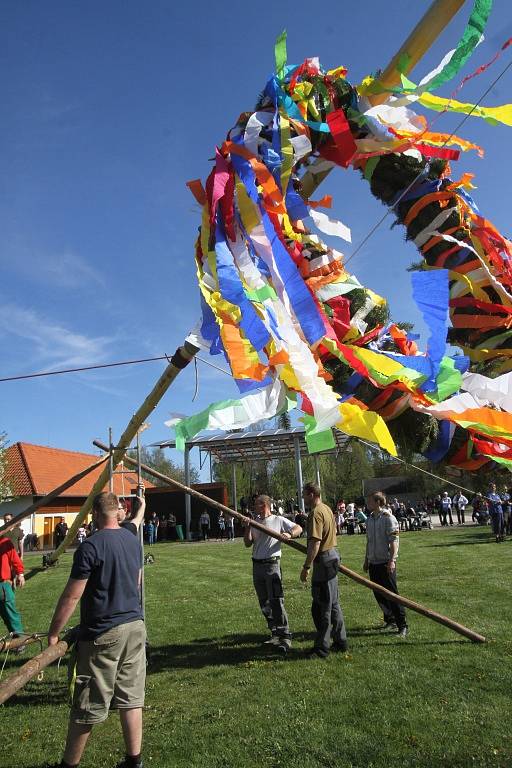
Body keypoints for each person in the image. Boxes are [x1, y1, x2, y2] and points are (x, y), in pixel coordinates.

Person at [47, 491, 146, 768]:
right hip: (135, 627)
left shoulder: (90, 547)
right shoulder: (131, 540)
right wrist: (142, 508)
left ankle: (69, 765)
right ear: (118, 511)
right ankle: (134, 761)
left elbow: (72, 596)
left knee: (87, 703)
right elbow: (136, 583)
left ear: (94, 514)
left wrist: (54, 632)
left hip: (103, 633)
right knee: (130, 698)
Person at [243, 494, 302, 653]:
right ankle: (274, 632)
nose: (254, 507)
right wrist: (248, 527)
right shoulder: (255, 522)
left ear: (264, 505)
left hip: (272, 565)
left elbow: (298, 528)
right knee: (264, 602)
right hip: (257, 566)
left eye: (256, 504)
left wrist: (289, 534)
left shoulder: (278, 520)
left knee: (276, 600)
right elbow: (248, 543)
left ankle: (285, 636)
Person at [301, 483, 348, 658]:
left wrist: (306, 567)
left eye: (305, 495)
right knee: (333, 604)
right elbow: (334, 530)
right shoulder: (327, 508)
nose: (304, 498)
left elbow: (315, 543)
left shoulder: (315, 513)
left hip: (324, 562)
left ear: (312, 494)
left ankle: (322, 648)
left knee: (322, 607)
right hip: (333, 556)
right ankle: (341, 641)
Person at [364, 492, 407, 637]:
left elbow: (394, 541)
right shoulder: (369, 519)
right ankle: (390, 620)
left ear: (377, 502)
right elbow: (369, 541)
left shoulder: (388, 518)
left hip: (385, 562)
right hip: (373, 562)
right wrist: (366, 560)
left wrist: (392, 561)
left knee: (392, 594)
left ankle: (402, 625)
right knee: (379, 594)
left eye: (370, 501)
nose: (368, 503)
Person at [0, 532, 25, 634]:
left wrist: (20, 574)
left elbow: (15, 559)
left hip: (3, 585)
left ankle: (20, 641)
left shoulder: (5, 542)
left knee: (10, 615)